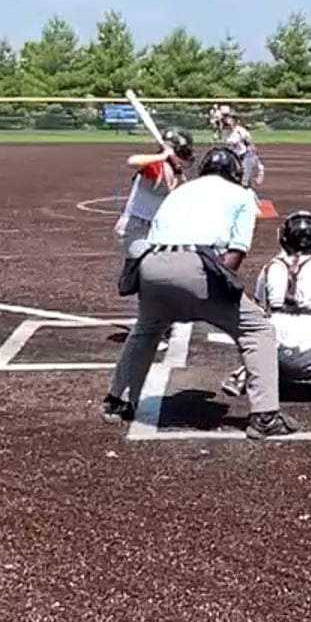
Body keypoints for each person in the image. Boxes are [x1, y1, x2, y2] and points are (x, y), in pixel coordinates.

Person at [102, 147, 295, 440]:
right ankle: (266, 416)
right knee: (257, 330)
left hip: (150, 265)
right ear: (235, 173)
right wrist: (224, 296)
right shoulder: (242, 195)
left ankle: (118, 402)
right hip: (196, 266)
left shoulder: (180, 191)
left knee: (146, 330)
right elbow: (233, 257)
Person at [221, 211, 311, 404]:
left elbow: (257, 310)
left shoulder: (270, 267)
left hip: (273, 357)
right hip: (310, 358)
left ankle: (245, 373)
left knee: (254, 333)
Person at [114, 128, 194, 258]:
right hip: (136, 229)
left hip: (158, 229)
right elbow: (132, 161)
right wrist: (163, 156)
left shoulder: (176, 173)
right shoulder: (156, 165)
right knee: (146, 264)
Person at [211, 104, 263, 188]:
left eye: (230, 119)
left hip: (241, 159)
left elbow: (251, 149)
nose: (227, 121)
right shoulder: (221, 132)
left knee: (243, 183)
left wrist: (260, 170)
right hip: (227, 160)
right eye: (225, 119)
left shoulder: (241, 131)